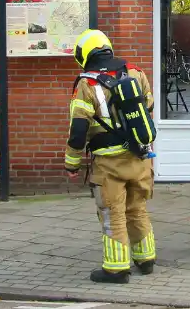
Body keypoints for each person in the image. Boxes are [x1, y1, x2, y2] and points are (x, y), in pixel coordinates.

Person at [64, 29, 156, 284]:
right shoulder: (135, 72)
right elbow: (147, 108)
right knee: (137, 208)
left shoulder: (87, 84)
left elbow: (78, 129)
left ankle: (116, 269)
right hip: (140, 158)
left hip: (109, 163)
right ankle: (146, 259)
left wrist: (71, 163)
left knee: (112, 213)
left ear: (84, 54)